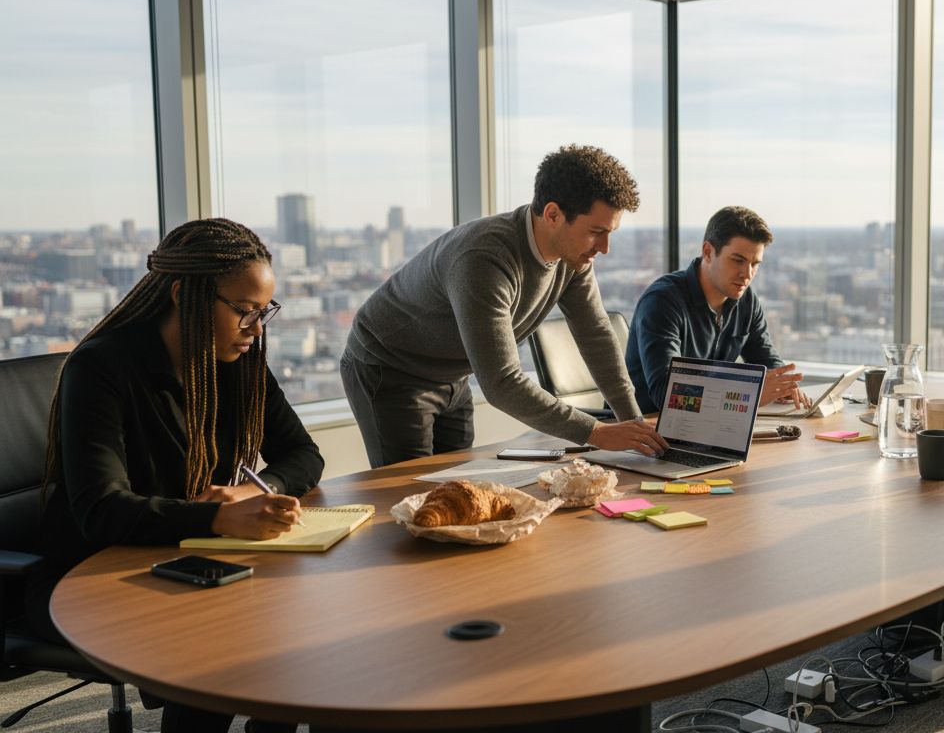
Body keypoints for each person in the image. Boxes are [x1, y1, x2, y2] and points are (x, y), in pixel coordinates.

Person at [27, 218, 325, 733]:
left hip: (190, 553)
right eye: (244, 312)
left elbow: (303, 454)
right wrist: (219, 520)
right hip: (96, 570)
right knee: (228, 637)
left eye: (264, 313)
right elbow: (102, 511)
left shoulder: (239, 361)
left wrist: (248, 491)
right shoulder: (102, 369)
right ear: (185, 293)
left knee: (305, 624)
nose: (256, 331)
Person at [341, 144, 666, 468]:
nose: (605, 248)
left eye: (610, 233)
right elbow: (502, 383)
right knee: (408, 494)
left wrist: (633, 425)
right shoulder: (484, 257)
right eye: (596, 232)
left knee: (456, 486)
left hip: (452, 371)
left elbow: (595, 334)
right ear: (553, 214)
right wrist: (596, 432)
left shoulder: (574, 257)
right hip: (390, 366)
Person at [624, 205, 809, 413]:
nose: (747, 274)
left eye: (755, 264)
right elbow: (668, 397)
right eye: (738, 260)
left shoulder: (746, 300)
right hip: (646, 431)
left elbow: (767, 362)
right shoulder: (662, 302)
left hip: (708, 427)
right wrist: (746, 396)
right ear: (708, 252)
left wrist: (785, 386)